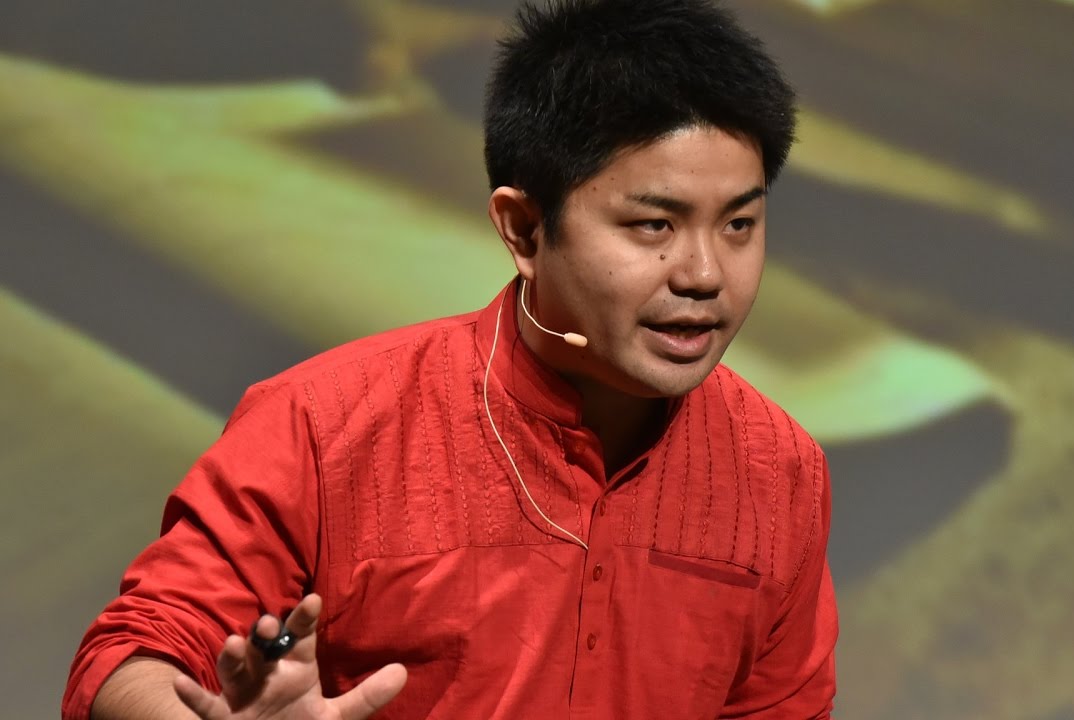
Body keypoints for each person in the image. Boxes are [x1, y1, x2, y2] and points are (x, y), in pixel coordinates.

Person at [64, 0, 838, 717]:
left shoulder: (780, 469)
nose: (704, 274)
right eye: (653, 226)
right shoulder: (324, 422)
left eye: (739, 225)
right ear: (524, 230)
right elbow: (129, 656)